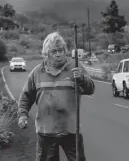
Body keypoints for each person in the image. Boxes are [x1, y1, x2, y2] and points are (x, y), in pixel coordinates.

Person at [17, 32, 95, 161]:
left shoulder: (75, 69)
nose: (58, 54)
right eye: (54, 51)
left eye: (61, 50)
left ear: (65, 51)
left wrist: (81, 79)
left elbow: (91, 89)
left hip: (71, 130)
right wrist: (22, 115)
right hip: (46, 131)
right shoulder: (37, 73)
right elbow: (26, 96)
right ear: (46, 54)